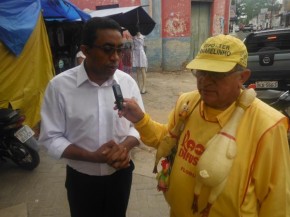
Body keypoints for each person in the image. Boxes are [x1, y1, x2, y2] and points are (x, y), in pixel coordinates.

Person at [118, 34, 290, 217]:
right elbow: (166, 140)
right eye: (201, 72)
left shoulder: (268, 125)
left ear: (243, 77)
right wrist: (140, 120)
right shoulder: (188, 103)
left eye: (217, 74)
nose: (205, 81)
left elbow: (276, 200)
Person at [39, 17, 144, 217]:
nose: (115, 57)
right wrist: (92, 157)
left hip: (121, 175)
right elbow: (51, 137)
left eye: (119, 50)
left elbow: (138, 125)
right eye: (107, 49)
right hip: (82, 180)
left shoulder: (127, 82)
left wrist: (124, 148)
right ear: (85, 51)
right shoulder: (59, 87)